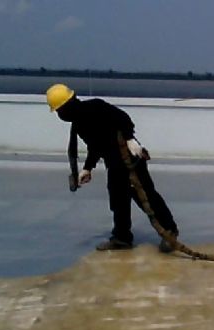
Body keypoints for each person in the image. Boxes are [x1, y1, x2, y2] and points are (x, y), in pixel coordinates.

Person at [46, 83, 178, 253]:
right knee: (118, 200)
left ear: (66, 107)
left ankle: (170, 231)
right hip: (114, 163)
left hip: (130, 158)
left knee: (146, 196)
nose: (59, 114)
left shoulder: (95, 106)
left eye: (58, 111)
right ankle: (122, 238)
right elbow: (95, 146)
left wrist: (130, 140)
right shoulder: (79, 123)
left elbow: (123, 118)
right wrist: (87, 168)